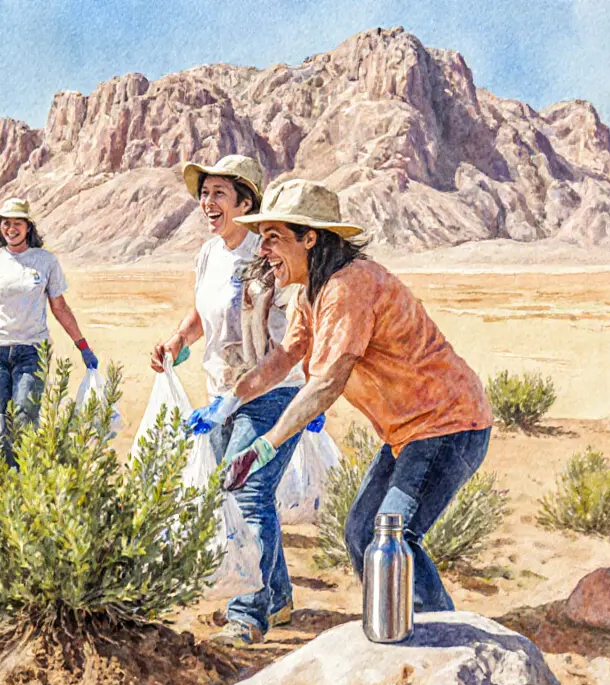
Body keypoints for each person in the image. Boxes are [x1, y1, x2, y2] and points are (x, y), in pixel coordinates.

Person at [211, 178, 492, 624]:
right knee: (362, 533)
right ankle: (398, 626)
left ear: (309, 238)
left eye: (273, 237)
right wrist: (229, 401)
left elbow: (326, 384)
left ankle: (439, 635)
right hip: (408, 432)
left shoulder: (349, 288)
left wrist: (263, 447)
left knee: (393, 536)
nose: (262, 250)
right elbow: (284, 357)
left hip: (449, 425)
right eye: (261, 238)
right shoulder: (312, 291)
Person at [150, 154, 306, 648]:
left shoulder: (270, 254)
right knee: (242, 495)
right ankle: (276, 597)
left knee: (248, 492)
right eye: (204, 193)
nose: (207, 203)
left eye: (219, 193)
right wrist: (177, 341)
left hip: (273, 392)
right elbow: (202, 312)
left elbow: (296, 331)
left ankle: (247, 614)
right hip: (220, 395)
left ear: (246, 202)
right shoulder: (209, 254)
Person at [0, 198, 97, 463]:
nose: (11, 229)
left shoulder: (45, 261)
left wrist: (83, 346)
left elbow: (60, 307)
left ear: (28, 227)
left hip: (32, 352)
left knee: (25, 419)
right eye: (6, 223)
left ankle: (24, 479)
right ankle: (1, 483)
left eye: (18, 223)